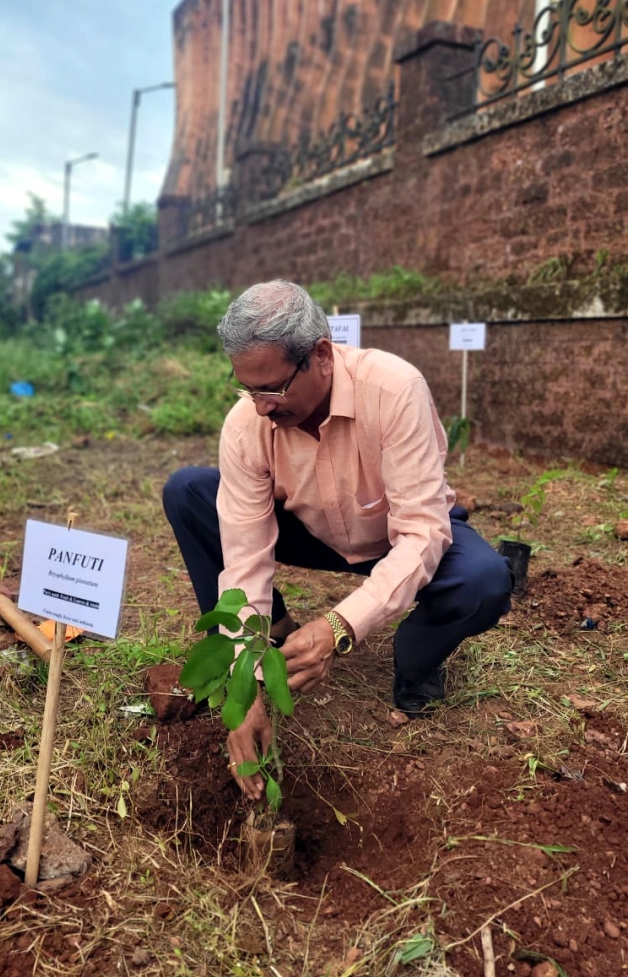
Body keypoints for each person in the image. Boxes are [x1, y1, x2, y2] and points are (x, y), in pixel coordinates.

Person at [163, 280, 513, 801]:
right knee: (188, 491)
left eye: (274, 389)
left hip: (397, 534)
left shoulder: (393, 390)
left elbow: (422, 530)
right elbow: (243, 561)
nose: (261, 407)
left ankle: (416, 663)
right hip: (313, 532)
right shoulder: (247, 426)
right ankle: (273, 629)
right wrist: (245, 685)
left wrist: (340, 625)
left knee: (483, 580)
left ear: (321, 355)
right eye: (249, 390)